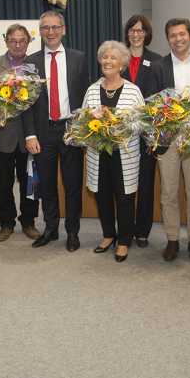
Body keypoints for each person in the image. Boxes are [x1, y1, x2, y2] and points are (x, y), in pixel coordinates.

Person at [23, 10, 89, 252]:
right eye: (45, 28)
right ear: (40, 32)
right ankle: (51, 229)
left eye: (55, 27)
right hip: (43, 133)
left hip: (71, 131)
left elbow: (84, 97)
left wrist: (83, 130)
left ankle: (73, 231)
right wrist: (30, 134)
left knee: (72, 185)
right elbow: (26, 102)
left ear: (64, 30)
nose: (50, 32)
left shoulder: (78, 58)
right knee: (47, 186)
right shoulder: (30, 61)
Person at [152, 18, 190, 262]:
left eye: (182, 34)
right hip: (168, 140)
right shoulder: (158, 67)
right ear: (168, 39)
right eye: (173, 35)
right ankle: (173, 239)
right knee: (168, 193)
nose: (178, 39)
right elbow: (151, 103)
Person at [84, 41, 144, 262]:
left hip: (124, 154)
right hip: (98, 154)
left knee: (125, 197)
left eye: (113, 58)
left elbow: (141, 124)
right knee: (102, 196)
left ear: (122, 64)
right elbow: (83, 120)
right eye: (105, 57)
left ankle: (124, 240)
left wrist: (119, 123)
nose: (108, 61)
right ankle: (109, 234)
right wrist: (91, 121)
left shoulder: (133, 90)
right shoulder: (92, 90)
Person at [0, 24, 41, 242]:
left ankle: (29, 221)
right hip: (1, 135)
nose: (17, 44)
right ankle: (6, 223)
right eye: (13, 40)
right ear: (6, 41)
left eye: (22, 41)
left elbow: (38, 101)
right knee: (3, 183)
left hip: (29, 135)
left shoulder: (35, 65)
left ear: (28, 42)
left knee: (30, 183)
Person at [122, 14, 160, 248]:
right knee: (123, 182)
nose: (136, 34)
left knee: (146, 183)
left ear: (147, 34)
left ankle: (142, 230)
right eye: (132, 30)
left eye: (141, 30)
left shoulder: (157, 61)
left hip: (147, 132)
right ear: (127, 33)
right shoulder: (117, 58)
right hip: (123, 132)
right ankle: (124, 227)